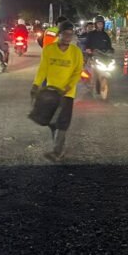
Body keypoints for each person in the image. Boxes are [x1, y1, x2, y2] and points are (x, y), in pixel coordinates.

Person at [31, 21, 83, 161]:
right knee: (51, 122)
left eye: (70, 34)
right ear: (59, 34)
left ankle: (57, 151)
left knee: (62, 122)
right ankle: (59, 146)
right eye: (65, 34)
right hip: (51, 92)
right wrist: (36, 85)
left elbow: (78, 72)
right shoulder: (49, 49)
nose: (68, 37)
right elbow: (43, 69)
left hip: (67, 94)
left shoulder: (76, 52)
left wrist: (68, 87)